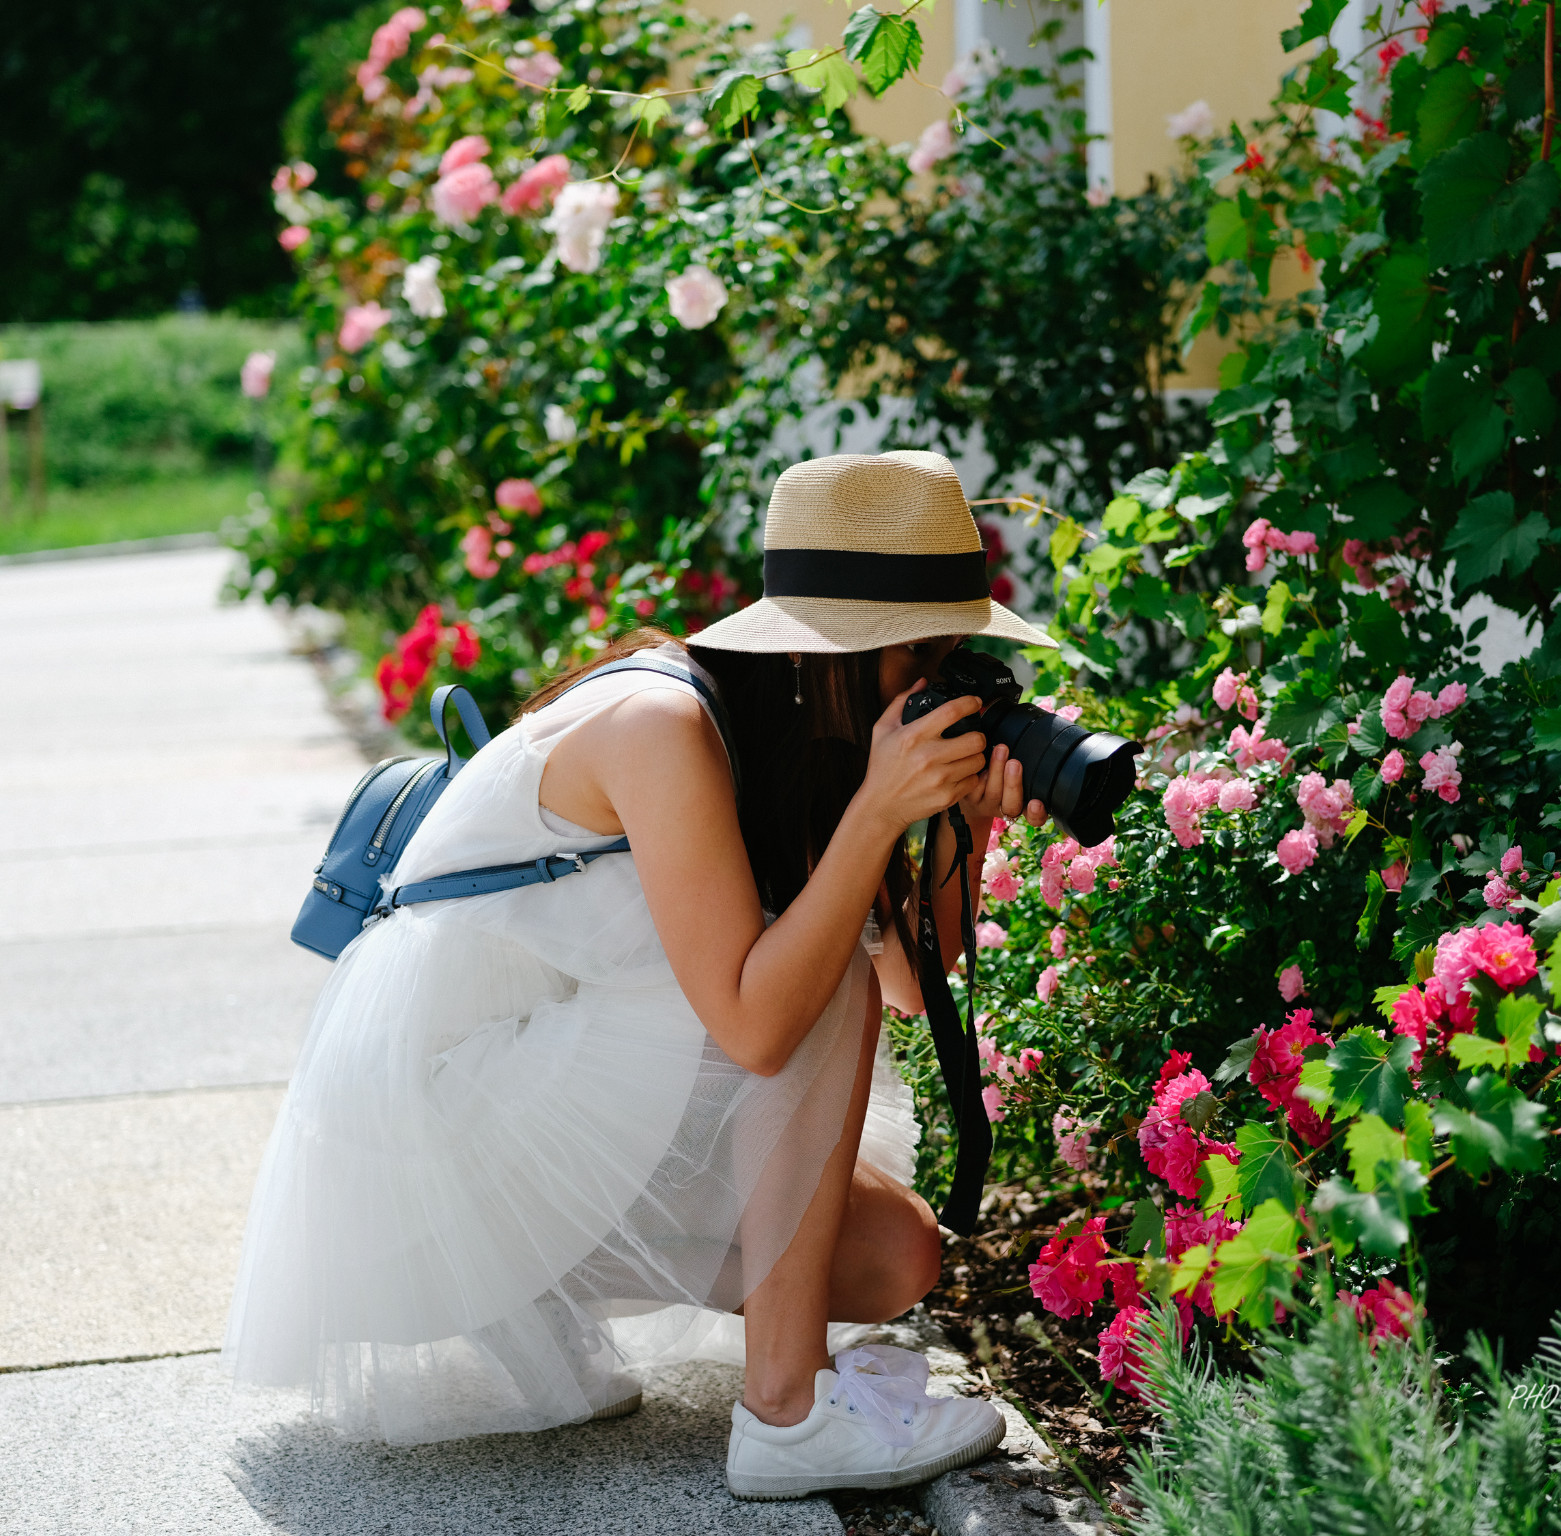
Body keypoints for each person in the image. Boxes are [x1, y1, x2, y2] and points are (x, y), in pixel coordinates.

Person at [223, 450, 1057, 1498]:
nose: (939, 686)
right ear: (834, 647)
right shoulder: (662, 725)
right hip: (427, 1146)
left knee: (896, 1254)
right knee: (816, 985)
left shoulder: (799, 737)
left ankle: (539, 1284)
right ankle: (786, 1418)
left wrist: (953, 829)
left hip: (530, 1113)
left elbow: (906, 987)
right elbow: (767, 1026)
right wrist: (876, 815)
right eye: (922, 655)